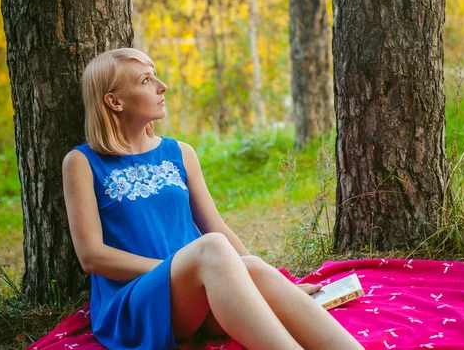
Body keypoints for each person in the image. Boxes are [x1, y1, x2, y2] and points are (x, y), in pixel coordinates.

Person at [62, 48, 364, 350]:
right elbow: (92, 256)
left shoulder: (179, 152)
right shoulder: (82, 162)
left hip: (197, 287)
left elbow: (216, 225)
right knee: (212, 248)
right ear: (114, 101)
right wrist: (172, 268)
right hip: (134, 302)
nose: (161, 85)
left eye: (155, 75)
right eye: (145, 80)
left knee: (252, 267)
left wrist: (276, 285)